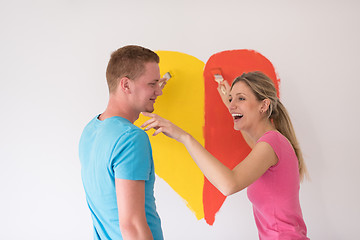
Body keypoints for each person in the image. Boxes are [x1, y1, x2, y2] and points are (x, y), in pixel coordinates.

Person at [141, 71, 309, 239]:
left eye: (241, 98)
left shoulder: (272, 143)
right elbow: (252, 141)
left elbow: (229, 184)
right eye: (231, 99)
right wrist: (230, 104)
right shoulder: (270, 144)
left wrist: (184, 137)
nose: (231, 105)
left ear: (263, 105)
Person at [79, 45, 166, 240]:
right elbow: (132, 226)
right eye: (152, 84)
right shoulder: (131, 138)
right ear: (125, 85)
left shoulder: (91, 130)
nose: (159, 91)